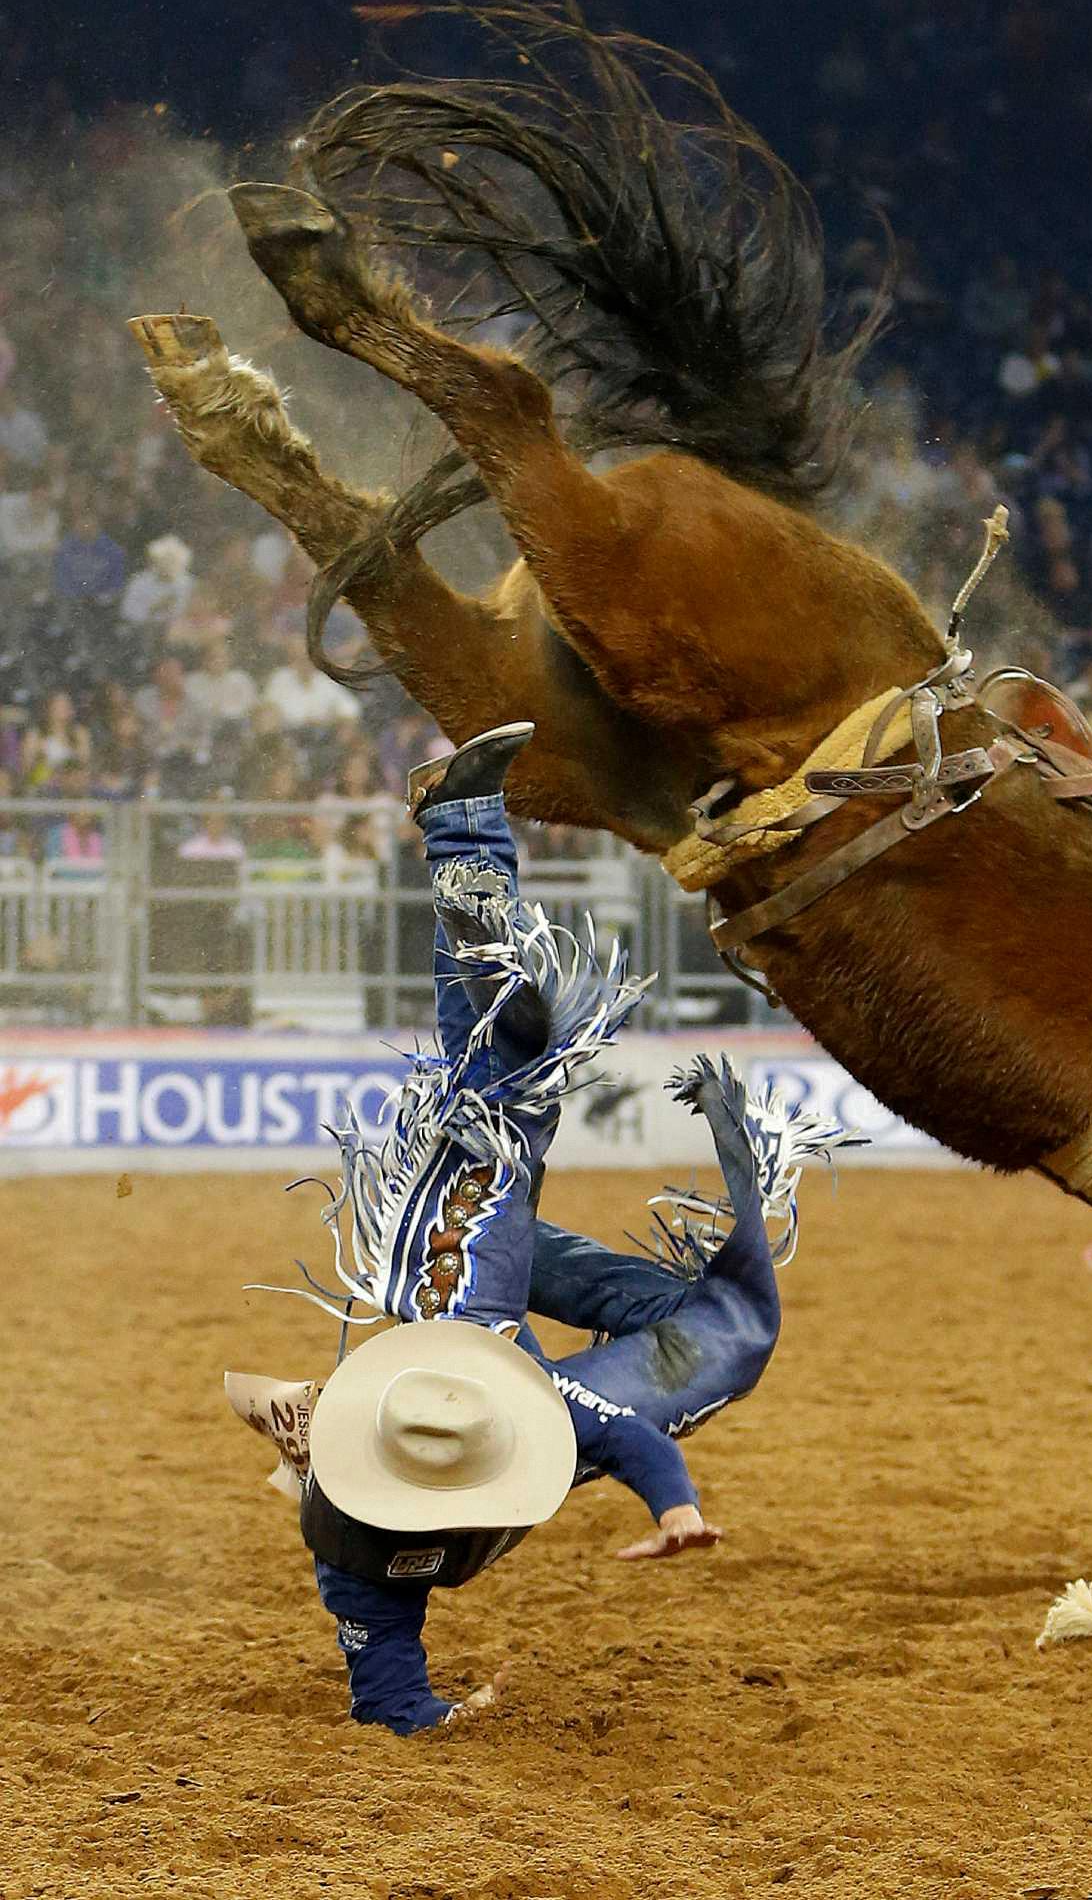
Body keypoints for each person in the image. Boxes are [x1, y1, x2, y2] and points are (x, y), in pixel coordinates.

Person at [227, 723, 851, 1734]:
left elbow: (390, 1700)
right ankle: (463, 834)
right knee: (721, 1323)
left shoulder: (354, 1558)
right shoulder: (424, 1475)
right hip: (474, 1309)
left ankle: (465, 833)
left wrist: (442, 1713)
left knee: (508, 1095)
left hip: (466, 1293)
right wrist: (678, 1508)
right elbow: (628, 1436)